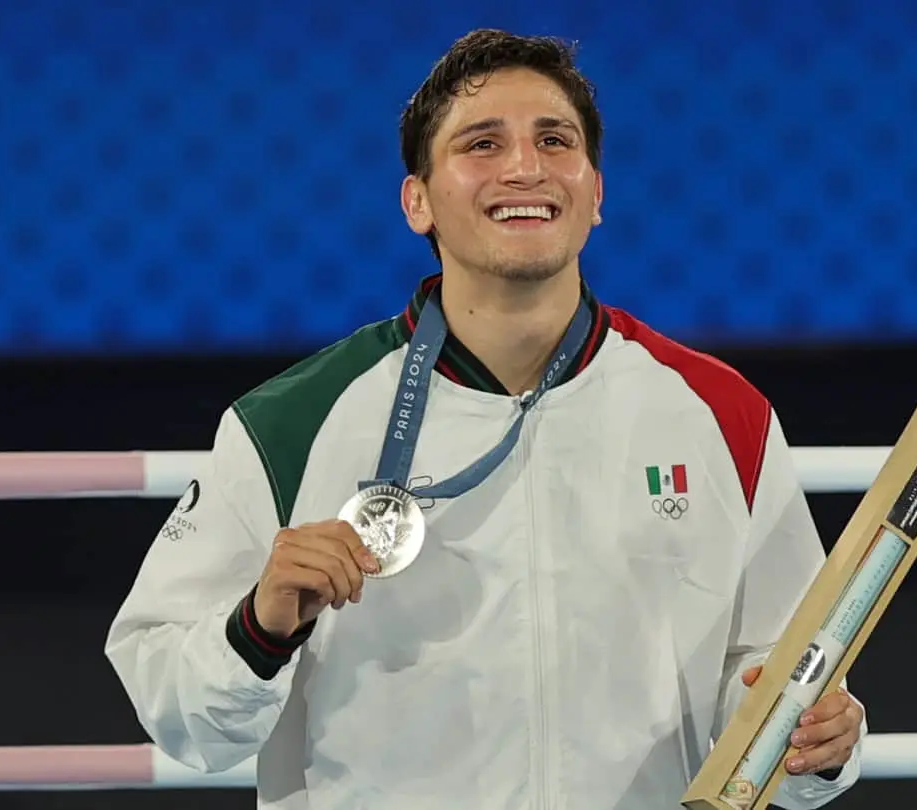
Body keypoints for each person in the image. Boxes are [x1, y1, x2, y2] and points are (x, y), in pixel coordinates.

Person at [105, 28, 867, 810]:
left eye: (553, 140)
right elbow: (175, 713)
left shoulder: (721, 412)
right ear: (418, 201)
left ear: (596, 192)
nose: (525, 167)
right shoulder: (293, 423)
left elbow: (779, 700)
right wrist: (259, 625)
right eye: (481, 143)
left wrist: (817, 750)